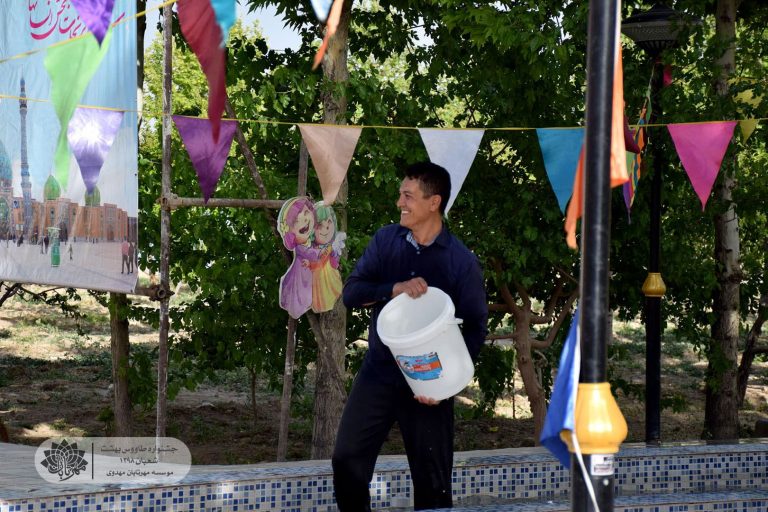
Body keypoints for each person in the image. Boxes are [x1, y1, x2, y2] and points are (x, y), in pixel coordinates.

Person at [333, 161, 487, 510]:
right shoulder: (385, 240)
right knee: (346, 460)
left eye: (408, 196)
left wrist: (446, 384)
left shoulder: (461, 262)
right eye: (401, 195)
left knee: (433, 483)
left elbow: (476, 327)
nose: (399, 202)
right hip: (379, 372)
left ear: (434, 202)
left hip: (428, 385)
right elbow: (352, 293)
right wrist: (394, 288)